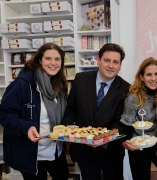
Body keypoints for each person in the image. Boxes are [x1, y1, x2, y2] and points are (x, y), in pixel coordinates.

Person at [0, 42, 69, 180]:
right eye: (48, 58)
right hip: (33, 155)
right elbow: (4, 115)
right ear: (39, 60)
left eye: (57, 59)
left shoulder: (59, 85)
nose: (53, 63)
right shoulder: (22, 84)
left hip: (56, 150)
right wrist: (26, 127)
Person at [62, 43, 130, 180]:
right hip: (83, 150)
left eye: (115, 62)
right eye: (107, 60)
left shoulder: (127, 89)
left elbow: (122, 121)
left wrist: (101, 139)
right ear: (98, 60)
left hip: (111, 152)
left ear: (120, 65)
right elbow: (70, 110)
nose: (111, 65)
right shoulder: (80, 80)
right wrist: (69, 133)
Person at [120, 57, 157, 180]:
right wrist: (127, 143)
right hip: (138, 147)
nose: (153, 78)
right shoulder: (133, 98)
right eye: (149, 74)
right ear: (141, 77)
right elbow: (126, 124)